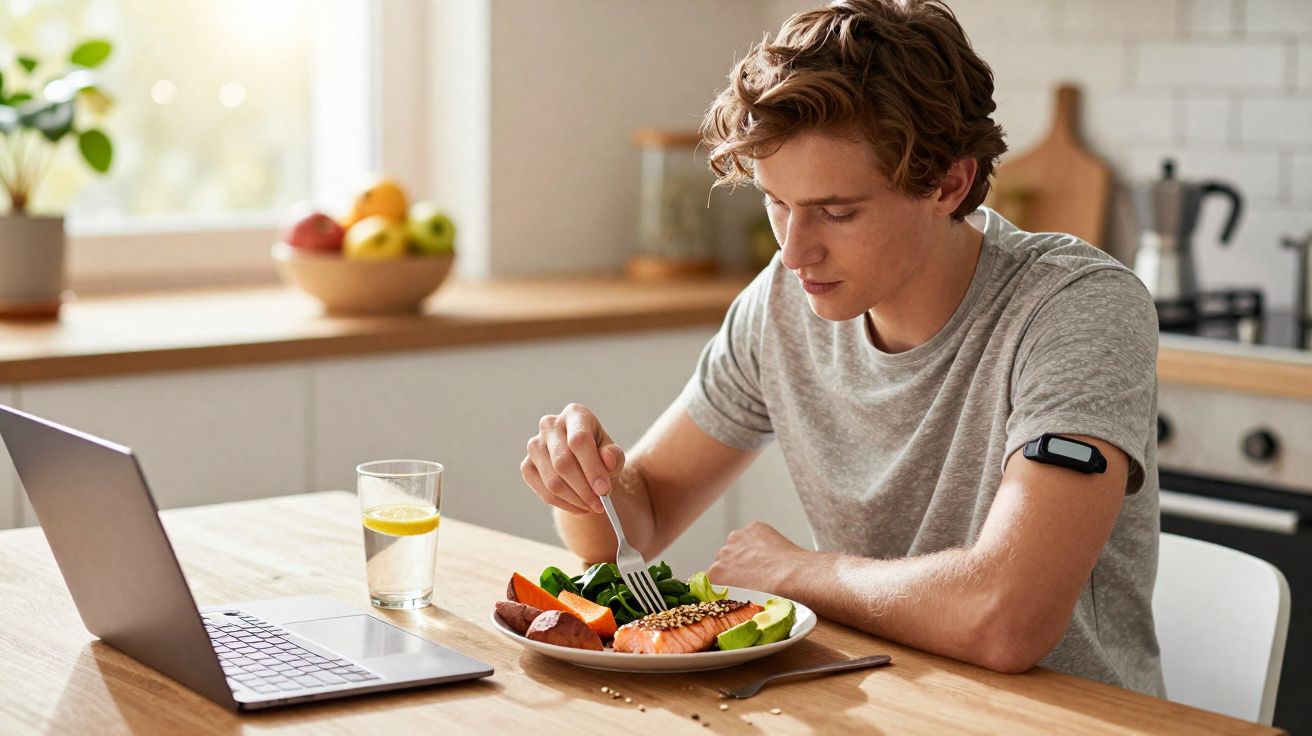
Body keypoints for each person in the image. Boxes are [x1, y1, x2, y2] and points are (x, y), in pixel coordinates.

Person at [519, 0, 1163, 696]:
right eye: (774, 203)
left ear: (948, 183)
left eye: (837, 211)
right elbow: (625, 537)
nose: (794, 251)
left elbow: (1004, 619)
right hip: (883, 700)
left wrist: (795, 573)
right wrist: (589, 483)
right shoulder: (781, 303)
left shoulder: (1075, 309)